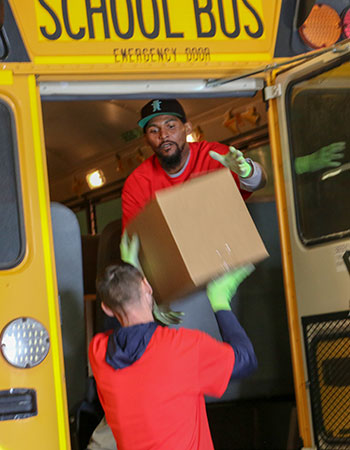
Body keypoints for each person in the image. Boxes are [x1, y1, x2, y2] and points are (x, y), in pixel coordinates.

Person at [89, 261, 257, 450]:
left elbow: (135, 339)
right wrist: (220, 301)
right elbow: (246, 360)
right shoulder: (184, 348)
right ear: (147, 286)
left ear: (106, 308)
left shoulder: (98, 353)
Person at [122, 98, 267, 230]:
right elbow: (135, 235)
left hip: (227, 249)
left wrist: (247, 172)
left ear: (187, 128)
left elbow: (258, 183)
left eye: (171, 126)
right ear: (146, 140)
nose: (163, 135)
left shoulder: (214, 155)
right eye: (154, 130)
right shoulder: (137, 183)